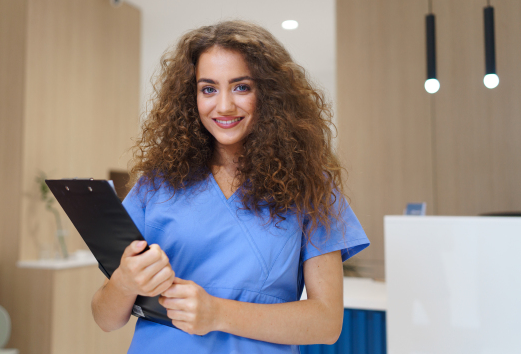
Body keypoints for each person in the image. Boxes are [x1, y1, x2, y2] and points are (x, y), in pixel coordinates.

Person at [91, 20, 369, 353]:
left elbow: (326, 322)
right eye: (208, 88)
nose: (223, 106)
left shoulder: (310, 188)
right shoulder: (157, 183)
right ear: (190, 96)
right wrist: (124, 282)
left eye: (241, 87)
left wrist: (217, 313)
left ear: (268, 93)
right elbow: (106, 319)